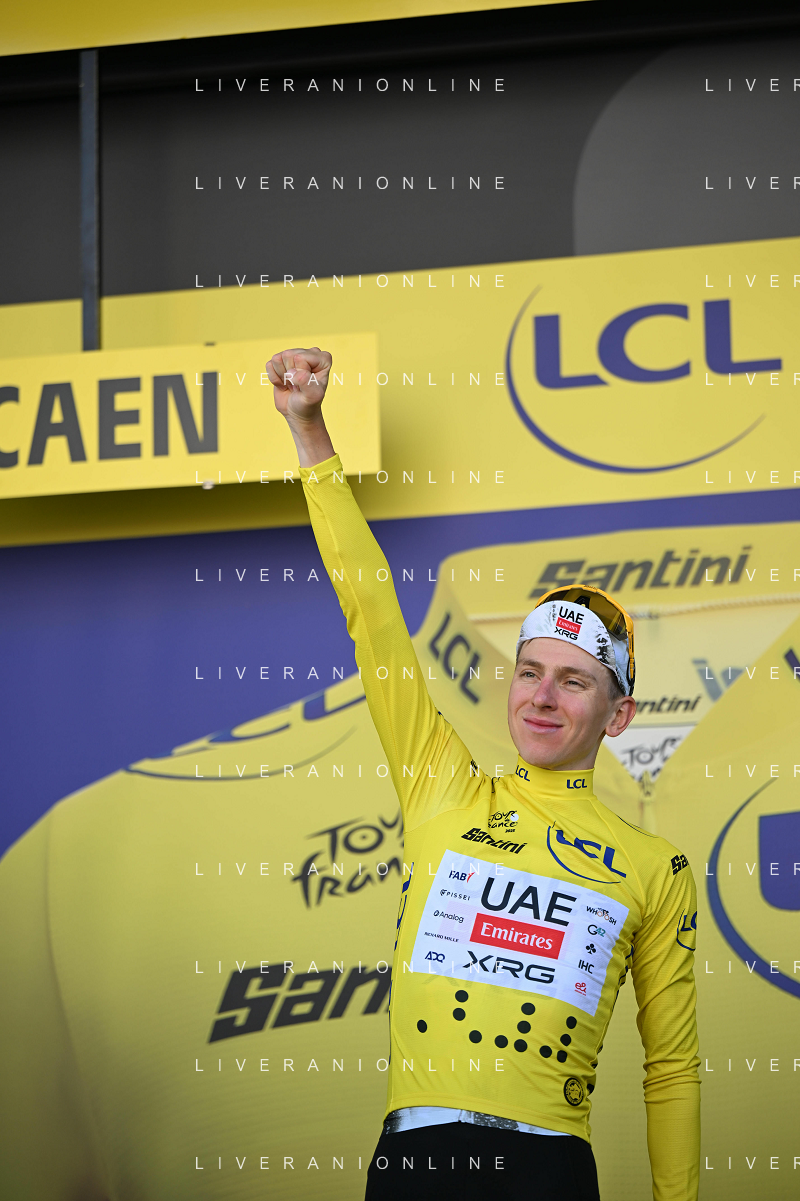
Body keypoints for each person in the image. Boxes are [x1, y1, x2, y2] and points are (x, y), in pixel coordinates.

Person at [267, 346, 700, 1201]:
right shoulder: (442, 783)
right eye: (529, 671)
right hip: (417, 1163)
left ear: (617, 716)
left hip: (551, 1169)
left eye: (573, 680)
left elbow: (673, 1069)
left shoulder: (657, 869)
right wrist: (310, 432)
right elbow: (373, 614)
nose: (541, 696)